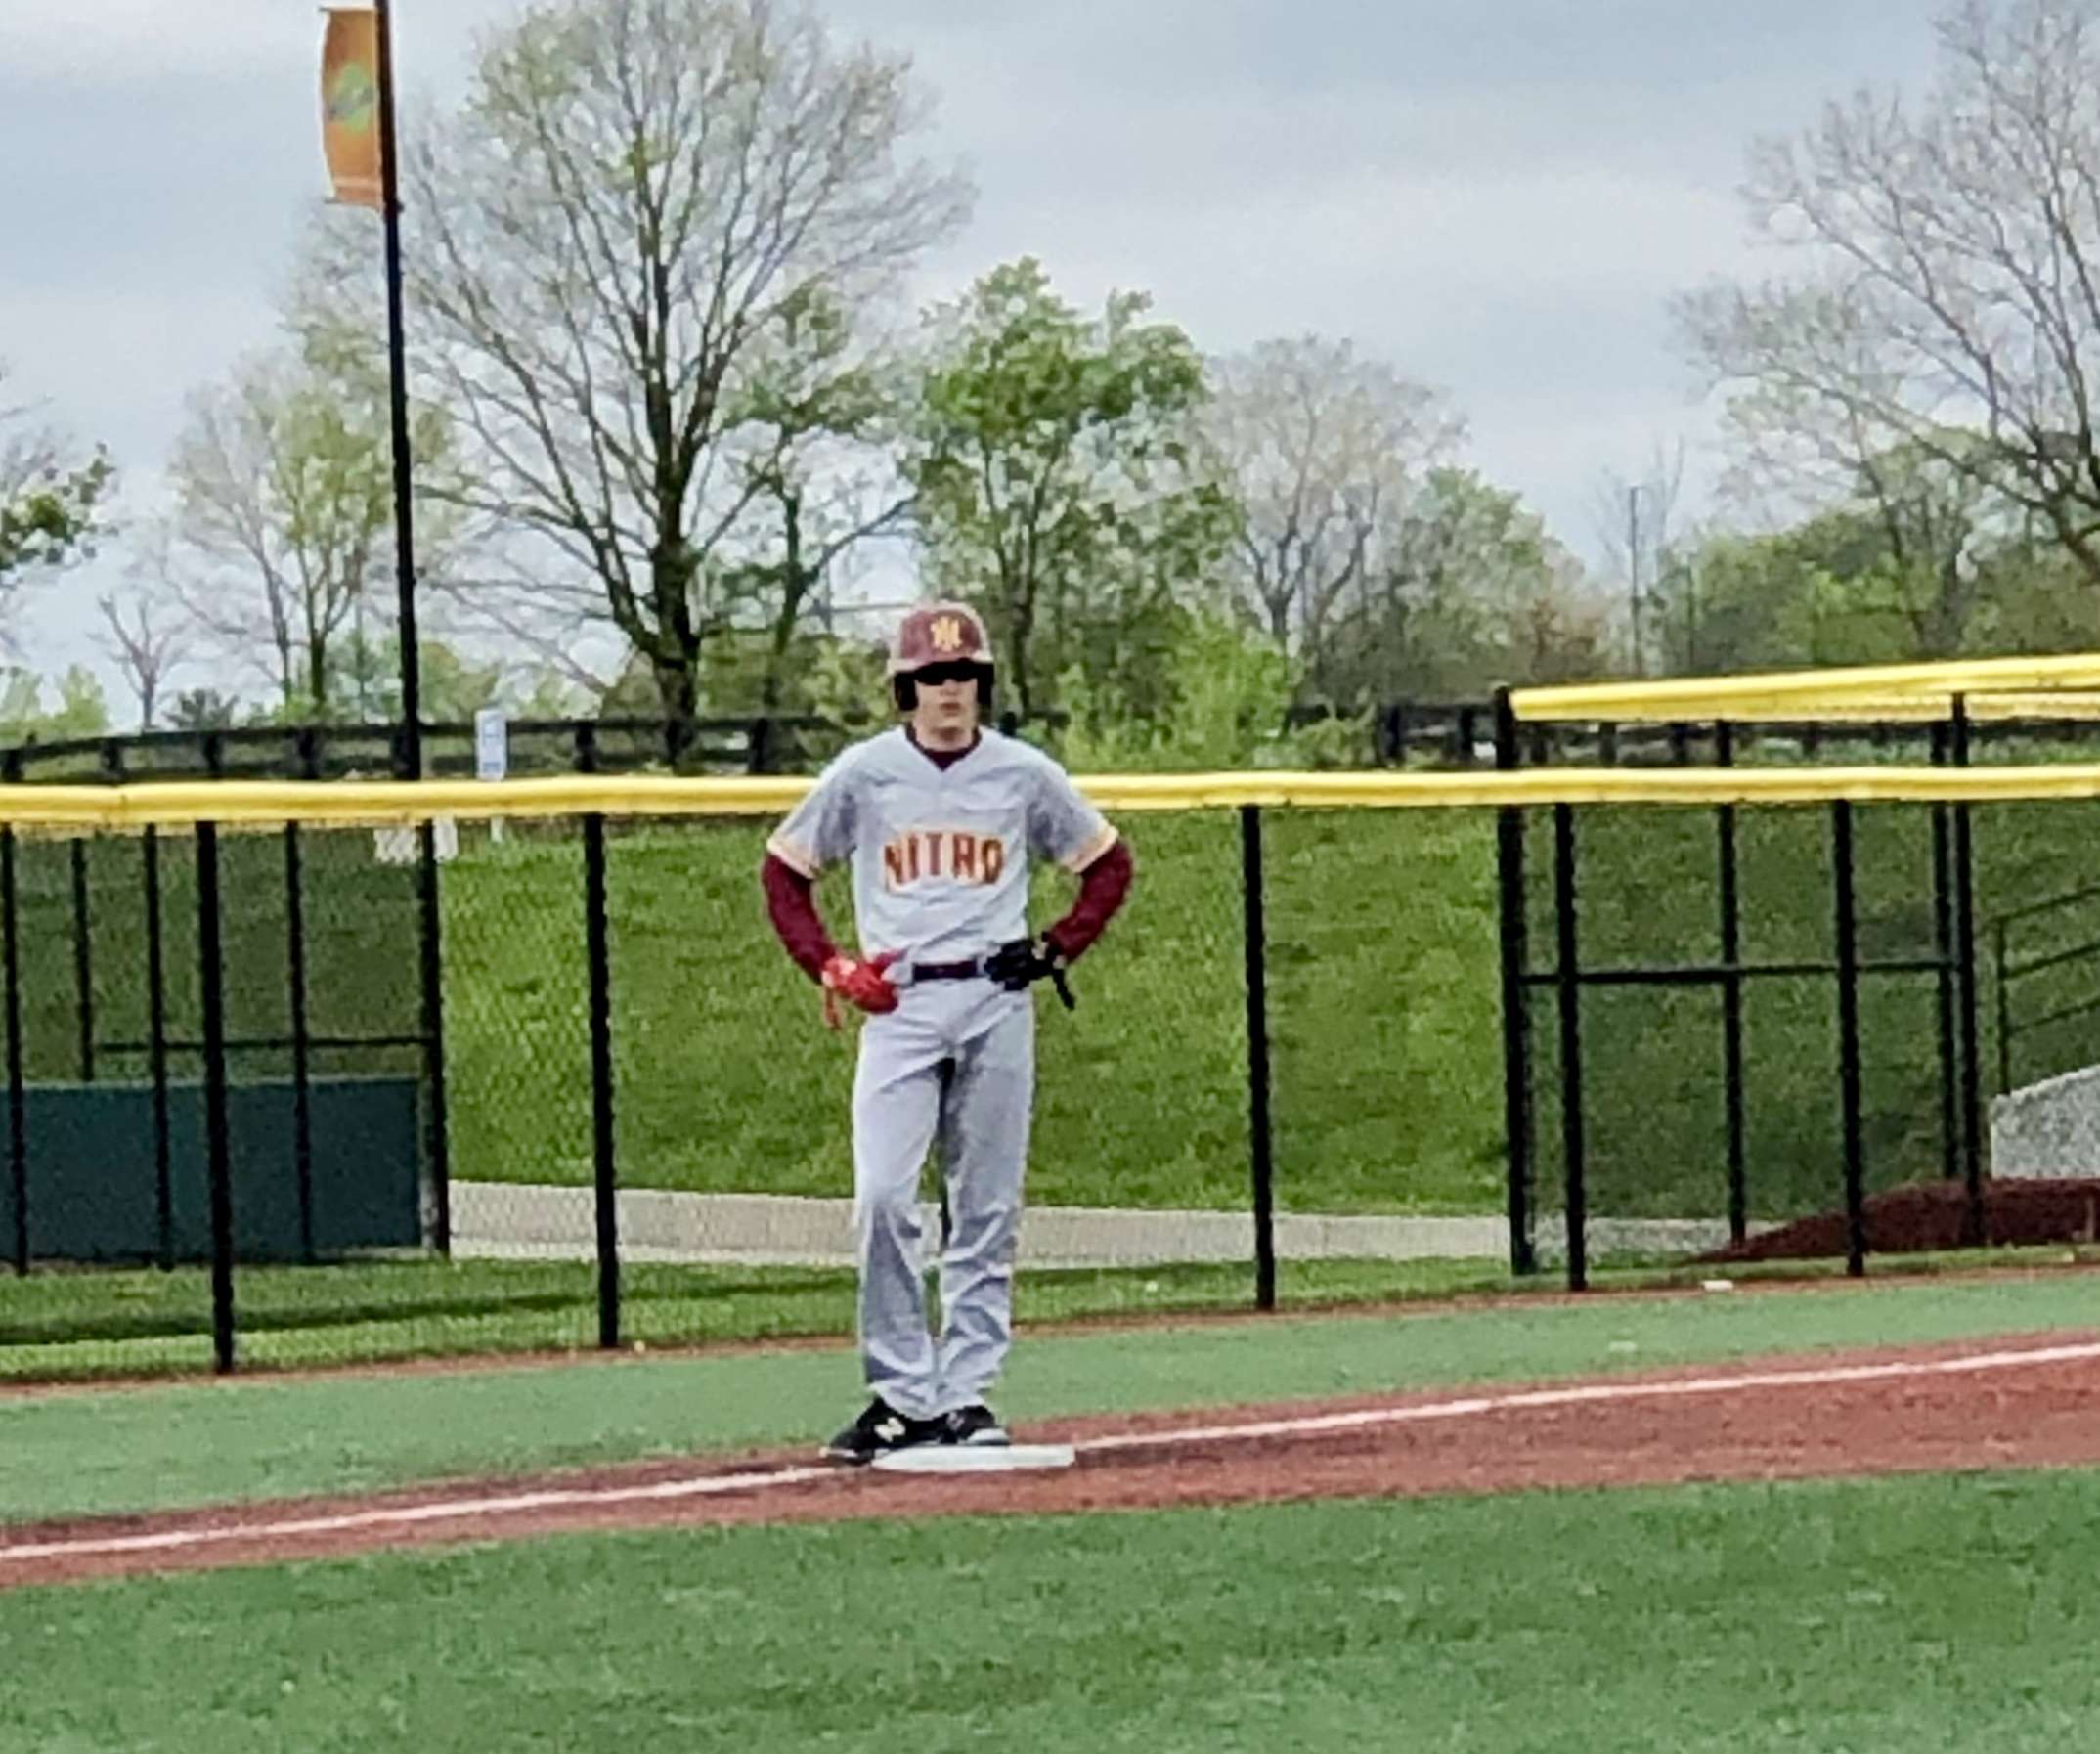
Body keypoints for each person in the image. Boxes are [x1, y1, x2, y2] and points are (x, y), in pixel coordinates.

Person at [760, 601, 1133, 1464]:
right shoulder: (866, 774)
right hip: (899, 1005)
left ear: (982, 682)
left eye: (963, 673)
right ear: (907, 687)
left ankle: (965, 1393)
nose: (949, 688)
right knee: (883, 1197)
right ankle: (900, 1395)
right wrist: (828, 965)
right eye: (932, 675)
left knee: (985, 1207)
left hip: (995, 994)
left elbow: (1108, 865)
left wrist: (1057, 946)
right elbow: (784, 872)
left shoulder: (1022, 773)